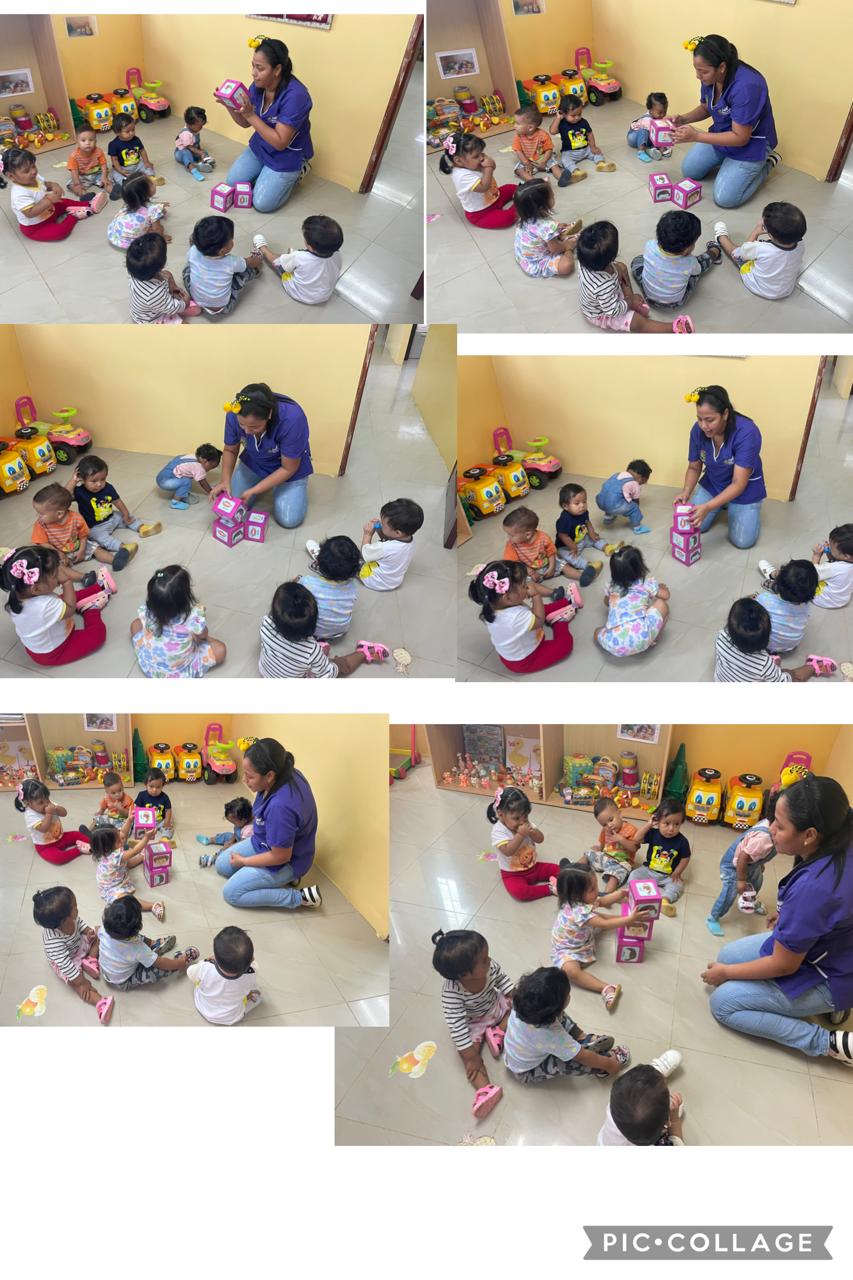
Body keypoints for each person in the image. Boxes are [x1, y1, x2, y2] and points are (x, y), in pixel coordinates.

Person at [701, 776, 853, 1067]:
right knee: (727, 955)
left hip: (834, 972)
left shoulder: (815, 889)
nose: (771, 829)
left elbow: (785, 965)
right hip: (828, 943)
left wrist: (727, 974)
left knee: (723, 1003)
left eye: (780, 826)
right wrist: (789, 915)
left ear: (809, 835)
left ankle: (829, 1043)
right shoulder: (841, 827)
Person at [214, 736, 322, 909]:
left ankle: (299, 897)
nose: (244, 780)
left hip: (288, 859)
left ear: (270, 775)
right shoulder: (284, 771)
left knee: (232, 893)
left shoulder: (281, 807)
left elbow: (281, 856)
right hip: (265, 841)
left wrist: (244, 861)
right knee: (222, 865)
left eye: (250, 776)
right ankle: (270, 878)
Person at [673, 34, 779, 209]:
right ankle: (730, 164)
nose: (698, 76)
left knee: (725, 198)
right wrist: (683, 119)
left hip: (752, 141)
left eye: (703, 71)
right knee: (690, 171)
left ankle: (767, 163)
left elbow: (740, 137)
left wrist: (696, 136)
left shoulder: (747, 86)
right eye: (696, 69)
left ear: (721, 67)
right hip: (724, 133)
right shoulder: (710, 77)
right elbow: (707, 107)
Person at [218, 34, 313, 213]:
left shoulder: (296, 96)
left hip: (286, 154)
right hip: (261, 146)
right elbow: (245, 123)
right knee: (232, 183)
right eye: (253, 66)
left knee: (262, 204)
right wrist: (230, 105)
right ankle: (265, 174)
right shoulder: (258, 85)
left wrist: (250, 115)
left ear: (277, 69)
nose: (253, 73)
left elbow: (280, 142)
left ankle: (299, 170)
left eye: (260, 68)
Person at [432, 927, 514, 1120]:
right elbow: (457, 1027)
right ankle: (485, 1089)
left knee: (521, 1006)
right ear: (464, 974)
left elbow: (503, 980)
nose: (490, 960)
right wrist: (471, 1057)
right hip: (474, 1022)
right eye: (484, 960)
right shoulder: (452, 993)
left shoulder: (490, 967)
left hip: (496, 1006)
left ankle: (498, 1031)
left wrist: (513, 995)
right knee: (468, 1057)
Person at [211, 382, 313, 529]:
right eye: (242, 425)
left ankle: (285, 487)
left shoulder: (292, 419)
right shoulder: (234, 413)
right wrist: (224, 480)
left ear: (269, 415)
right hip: (255, 461)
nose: (246, 431)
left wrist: (255, 490)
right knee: (233, 503)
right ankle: (267, 482)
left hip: (289, 467)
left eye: (254, 427)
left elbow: (288, 468)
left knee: (289, 520)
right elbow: (230, 450)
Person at [504, 966, 630, 1084]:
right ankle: (602, 1068)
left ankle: (581, 1038)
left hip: (523, 1049)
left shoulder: (522, 1003)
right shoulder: (553, 1035)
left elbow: (554, 1015)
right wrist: (609, 1064)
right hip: (527, 1071)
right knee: (569, 1060)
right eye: (568, 994)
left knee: (559, 1017)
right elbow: (582, 1057)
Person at [676, 384, 766, 548]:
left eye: (710, 420)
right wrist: (686, 491)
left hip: (744, 488)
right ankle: (722, 503)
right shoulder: (697, 431)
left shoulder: (747, 432)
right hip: (714, 482)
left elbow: (738, 483)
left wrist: (708, 507)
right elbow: (694, 467)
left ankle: (741, 508)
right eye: (699, 419)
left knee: (742, 542)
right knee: (694, 525)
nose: (703, 426)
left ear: (725, 414)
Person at [551, 864, 651, 1012]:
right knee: (570, 972)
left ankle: (625, 920)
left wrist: (620, 893)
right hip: (567, 950)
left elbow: (603, 901)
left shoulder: (578, 900)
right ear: (576, 895)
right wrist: (629, 919)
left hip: (582, 936)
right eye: (592, 889)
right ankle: (606, 988)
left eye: (596, 885)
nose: (597, 891)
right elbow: (604, 924)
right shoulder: (579, 911)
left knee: (599, 917)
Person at [0, 544, 109, 667]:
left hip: (38, 643)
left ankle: (99, 587)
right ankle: (91, 609)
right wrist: (67, 581)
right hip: (55, 652)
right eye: (55, 575)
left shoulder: (15, 593)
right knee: (98, 635)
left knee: (62, 598)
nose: (59, 575)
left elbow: (51, 604)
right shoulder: (44, 606)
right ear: (36, 589)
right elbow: (70, 609)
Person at [576, 221, 695, 334]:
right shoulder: (603, 286)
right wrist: (630, 301)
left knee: (622, 267)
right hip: (602, 313)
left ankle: (630, 300)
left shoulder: (585, 259)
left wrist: (617, 271)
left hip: (605, 295)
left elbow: (609, 269)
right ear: (611, 257)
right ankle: (674, 327)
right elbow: (613, 311)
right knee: (638, 322)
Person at [469, 559, 575, 675]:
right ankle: (559, 621)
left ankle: (566, 601)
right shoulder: (514, 618)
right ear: (507, 598)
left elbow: (531, 613)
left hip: (514, 650)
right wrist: (536, 595)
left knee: (537, 610)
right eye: (524, 586)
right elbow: (539, 620)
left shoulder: (493, 605)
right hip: (526, 660)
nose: (528, 587)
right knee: (565, 644)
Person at [259, 581, 383, 678]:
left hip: (266, 673)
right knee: (339, 666)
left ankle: (318, 660)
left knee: (314, 660)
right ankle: (363, 653)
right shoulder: (310, 650)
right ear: (312, 626)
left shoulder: (265, 623)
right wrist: (326, 661)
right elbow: (327, 675)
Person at [32, 887, 114, 1025]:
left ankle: (90, 960)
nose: (77, 908)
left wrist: (88, 932)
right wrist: (81, 982)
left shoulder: (71, 919)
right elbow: (66, 966)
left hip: (77, 945)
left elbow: (80, 924)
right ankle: (100, 1002)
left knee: (98, 932)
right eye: (75, 907)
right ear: (64, 920)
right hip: (66, 961)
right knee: (76, 985)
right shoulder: (53, 942)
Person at [131, 564, 226, 678]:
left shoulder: (146, 612)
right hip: (178, 674)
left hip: (150, 667)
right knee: (220, 649)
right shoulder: (192, 619)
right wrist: (199, 634)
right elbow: (203, 634)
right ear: (185, 599)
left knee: (135, 624)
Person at [706, 797, 777, 936]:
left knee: (757, 882)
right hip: (734, 866)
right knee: (730, 892)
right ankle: (713, 917)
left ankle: (751, 900)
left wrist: (760, 863)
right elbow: (743, 857)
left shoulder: (769, 825)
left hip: (750, 864)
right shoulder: (764, 839)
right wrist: (741, 880)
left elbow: (754, 851)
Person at [714, 598, 827, 683]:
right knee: (789, 675)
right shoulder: (763, 663)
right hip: (762, 671)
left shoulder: (720, 636)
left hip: (720, 681)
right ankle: (813, 667)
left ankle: (772, 671)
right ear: (766, 638)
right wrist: (788, 675)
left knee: (769, 671)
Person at [98, 895, 196, 991]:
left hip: (106, 970)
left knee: (134, 938)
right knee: (157, 969)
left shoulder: (103, 930)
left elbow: (130, 937)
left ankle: (153, 944)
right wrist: (180, 963)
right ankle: (178, 960)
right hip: (124, 981)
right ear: (139, 926)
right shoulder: (137, 948)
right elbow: (160, 963)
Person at [5, 146, 100, 241]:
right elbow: (30, 213)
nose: (33, 171)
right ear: (11, 176)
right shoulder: (19, 194)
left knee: (62, 201)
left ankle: (88, 204)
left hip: (50, 209)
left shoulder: (34, 177)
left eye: (33, 166)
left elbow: (45, 185)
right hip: (36, 226)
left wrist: (54, 185)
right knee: (60, 232)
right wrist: (49, 200)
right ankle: (73, 216)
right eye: (26, 171)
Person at [71, 455, 160, 557]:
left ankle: (142, 528)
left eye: (103, 479)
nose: (99, 484)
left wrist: (126, 514)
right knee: (100, 537)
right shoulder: (79, 492)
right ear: (82, 479)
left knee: (126, 517)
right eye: (94, 481)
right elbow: (63, 494)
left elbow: (117, 501)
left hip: (112, 517)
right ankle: (123, 548)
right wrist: (73, 480)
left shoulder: (108, 488)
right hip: (95, 527)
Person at [715, 202, 806, 300]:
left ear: (769, 233)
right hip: (786, 290)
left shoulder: (761, 248)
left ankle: (721, 237)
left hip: (759, 287)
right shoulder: (801, 244)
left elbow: (742, 253)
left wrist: (755, 232)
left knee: (737, 253)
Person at [631, 209, 721, 308]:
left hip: (648, 294)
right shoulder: (690, 261)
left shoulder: (650, 245)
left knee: (636, 261)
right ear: (686, 250)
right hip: (674, 303)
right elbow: (697, 271)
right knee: (698, 267)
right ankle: (715, 250)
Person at [32, 481, 129, 571]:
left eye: (41, 514)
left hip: (78, 545)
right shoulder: (40, 525)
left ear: (59, 514)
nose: (38, 516)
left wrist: (82, 551)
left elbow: (83, 535)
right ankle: (81, 577)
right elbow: (43, 543)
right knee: (53, 565)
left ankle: (115, 560)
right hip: (56, 551)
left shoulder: (76, 518)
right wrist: (59, 554)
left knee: (96, 549)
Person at [595, 545, 670, 659]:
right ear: (640, 567)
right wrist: (661, 587)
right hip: (643, 637)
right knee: (661, 604)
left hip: (615, 645)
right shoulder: (646, 584)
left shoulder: (611, 587)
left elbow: (606, 602)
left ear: (614, 572)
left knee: (596, 632)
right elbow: (666, 596)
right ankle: (653, 639)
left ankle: (607, 636)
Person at [486, 785, 559, 901]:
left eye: (525, 816)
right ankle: (550, 889)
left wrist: (532, 831)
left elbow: (540, 839)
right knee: (520, 892)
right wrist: (520, 835)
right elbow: (508, 851)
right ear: (501, 814)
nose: (522, 822)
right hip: (512, 874)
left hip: (534, 867)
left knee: (558, 869)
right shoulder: (498, 831)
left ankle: (567, 879)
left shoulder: (526, 824)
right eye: (516, 818)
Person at [183, 215, 262, 319]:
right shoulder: (232, 261)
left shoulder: (193, 251)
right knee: (245, 272)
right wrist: (257, 259)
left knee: (187, 270)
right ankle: (256, 270)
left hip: (196, 298)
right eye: (231, 239)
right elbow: (250, 262)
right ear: (222, 251)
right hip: (222, 307)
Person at [253, 216, 343, 305]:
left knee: (279, 263)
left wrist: (290, 258)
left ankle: (263, 248)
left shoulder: (299, 256)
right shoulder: (337, 254)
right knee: (296, 260)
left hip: (300, 293)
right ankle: (289, 259)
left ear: (310, 247)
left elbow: (280, 263)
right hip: (325, 295)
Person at [597, 1055, 685, 1145]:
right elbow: (678, 1143)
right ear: (665, 1123)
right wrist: (674, 1119)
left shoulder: (616, 1107)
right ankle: (652, 1078)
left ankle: (651, 1078)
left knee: (634, 1093)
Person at [439, 131, 517, 230]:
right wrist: (488, 168)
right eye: (476, 156)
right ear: (458, 160)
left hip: (494, 196)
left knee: (511, 187)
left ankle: (523, 195)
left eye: (481, 153)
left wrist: (489, 163)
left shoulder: (471, 163)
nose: (481, 158)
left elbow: (493, 166)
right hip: (481, 213)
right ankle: (522, 206)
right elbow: (484, 187)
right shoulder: (461, 176)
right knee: (507, 219)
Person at [628, 797, 691, 917]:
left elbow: (686, 857)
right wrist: (649, 825)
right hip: (649, 870)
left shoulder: (682, 841)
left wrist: (677, 872)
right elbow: (636, 838)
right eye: (666, 823)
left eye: (676, 824)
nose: (671, 829)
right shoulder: (653, 834)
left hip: (668, 875)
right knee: (634, 875)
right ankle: (639, 895)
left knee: (678, 885)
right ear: (658, 820)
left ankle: (664, 901)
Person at [187, 927, 263, 1025]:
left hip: (202, 1005)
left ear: (215, 957)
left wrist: (205, 960)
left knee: (199, 980)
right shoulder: (252, 973)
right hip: (229, 1017)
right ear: (251, 959)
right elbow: (253, 966)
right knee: (258, 995)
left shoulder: (205, 967)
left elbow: (190, 973)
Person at [90, 824, 164, 920]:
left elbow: (123, 833)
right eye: (118, 840)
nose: (122, 839)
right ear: (108, 848)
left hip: (117, 873)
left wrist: (129, 820)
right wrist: (146, 838)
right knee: (126, 900)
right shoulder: (115, 856)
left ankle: (141, 857)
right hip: (111, 889)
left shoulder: (106, 850)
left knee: (126, 863)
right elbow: (134, 851)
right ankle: (153, 906)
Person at [512, 178, 580, 279]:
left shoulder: (525, 216)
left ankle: (558, 234)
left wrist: (555, 228)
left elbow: (537, 230)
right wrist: (567, 246)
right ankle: (567, 243)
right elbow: (555, 249)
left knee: (552, 231)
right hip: (536, 263)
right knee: (567, 266)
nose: (554, 195)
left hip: (522, 256)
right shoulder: (546, 226)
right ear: (541, 206)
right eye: (552, 196)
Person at [126, 233, 200, 324]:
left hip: (155, 304)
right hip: (151, 319)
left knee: (168, 274)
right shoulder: (154, 292)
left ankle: (173, 295)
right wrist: (185, 302)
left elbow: (165, 277)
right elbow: (172, 308)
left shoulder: (136, 272)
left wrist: (173, 287)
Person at [14, 779, 90, 866]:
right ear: (28, 803)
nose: (46, 803)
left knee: (77, 834)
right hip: (45, 846)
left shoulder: (49, 804)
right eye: (41, 802)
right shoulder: (30, 815)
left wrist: (56, 808)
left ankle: (93, 840)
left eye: (47, 798)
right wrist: (49, 813)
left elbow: (64, 813)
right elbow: (44, 829)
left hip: (61, 837)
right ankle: (79, 850)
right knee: (58, 858)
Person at [556, 482, 620, 583]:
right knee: (568, 555)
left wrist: (592, 533)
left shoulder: (584, 512)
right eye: (577, 503)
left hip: (582, 538)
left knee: (595, 538)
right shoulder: (564, 519)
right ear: (566, 506)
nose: (582, 505)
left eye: (584, 502)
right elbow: (563, 536)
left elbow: (587, 523)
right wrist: (573, 547)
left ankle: (607, 547)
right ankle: (589, 566)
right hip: (567, 546)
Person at [299, 535, 362, 639]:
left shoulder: (307, 582)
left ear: (318, 562)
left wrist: (298, 580)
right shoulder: (352, 587)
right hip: (340, 631)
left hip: (313, 631)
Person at [753, 558, 819, 653]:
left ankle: (774, 585)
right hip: (790, 646)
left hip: (765, 645)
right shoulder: (806, 607)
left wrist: (754, 598)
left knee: (753, 604)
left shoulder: (764, 598)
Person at [578, 796, 641, 894]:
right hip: (606, 858)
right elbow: (602, 841)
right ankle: (575, 868)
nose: (609, 825)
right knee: (588, 854)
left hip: (622, 863)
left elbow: (634, 848)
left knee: (614, 876)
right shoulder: (605, 830)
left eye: (611, 820)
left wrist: (621, 839)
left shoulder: (631, 829)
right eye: (604, 824)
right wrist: (600, 849)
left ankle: (606, 894)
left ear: (620, 814)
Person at [549, 94, 615, 185]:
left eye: (579, 114)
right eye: (573, 115)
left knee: (597, 152)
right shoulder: (562, 124)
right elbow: (552, 131)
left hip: (586, 149)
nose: (577, 117)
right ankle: (576, 172)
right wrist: (558, 118)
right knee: (565, 160)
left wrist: (593, 147)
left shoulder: (583, 122)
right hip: (569, 152)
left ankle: (601, 164)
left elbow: (589, 134)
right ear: (563, 113)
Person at [359, 499, 424, 591]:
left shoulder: (385, 548)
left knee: (351, 558)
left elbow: (365, 553)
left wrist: (367, 534)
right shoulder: (409, 540)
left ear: (397, 533)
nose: (381, 524)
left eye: (383, 524)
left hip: (376, 582)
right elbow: (388, 539)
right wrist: (379, 529)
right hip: (394, 581)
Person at [107, 174, 168, 250]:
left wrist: (159, 206)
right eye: (151, 183)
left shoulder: (129, 202)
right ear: (145, 193)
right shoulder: (153, 210)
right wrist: (161, 239)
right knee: (160, 228)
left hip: (116, 235)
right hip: (133, 242)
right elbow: (157, 229)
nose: (154, 183)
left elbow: (147, 204)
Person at [155, 444, 222, 511]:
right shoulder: (199, 468)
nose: (209, 470)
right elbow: (203, 482)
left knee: (185, 474)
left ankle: (179, 488)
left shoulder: (192, 456)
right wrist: (211, 491)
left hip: (162, 476)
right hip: (165, 482)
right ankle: (175, 502)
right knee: (186, 481)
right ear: (205, 461)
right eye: (211, 467)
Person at [107, 115, 160, 197]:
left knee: (148, 167)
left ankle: (150, 179)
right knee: (116, 175)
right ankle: (125, 185)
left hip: (137, 164)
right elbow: (114, 159)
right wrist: (120, 170)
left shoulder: (136, 139)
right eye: (127, 131)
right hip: (123, 167)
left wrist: (146, 162)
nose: (131, 133)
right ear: (117, 132)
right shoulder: (113, 144)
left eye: (133, 130)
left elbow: (142, 150)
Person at [512, 104, 567, 183]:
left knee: (553, 164)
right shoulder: (518, 136)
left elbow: (549, 149)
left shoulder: (543, 135)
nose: (514, 126)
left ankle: (561, 178)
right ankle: (535, 182)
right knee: (519, 170)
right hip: (528, 160)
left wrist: (544, 161)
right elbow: (518, 150)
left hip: (543, 158)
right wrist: (526, 163)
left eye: (517, 123)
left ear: (530, 127)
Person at [595, 460, 652, 535]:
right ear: (640, 478)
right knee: (634, 508)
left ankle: (608, 518)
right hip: (612, 506)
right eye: (644, 482)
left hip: (600, 501)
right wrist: (631, 510)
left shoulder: (616, 475)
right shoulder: (634, 484)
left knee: (611, 497)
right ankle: (638, 528)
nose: (642, 484)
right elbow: (635, 501)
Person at [809, 525, 853, 611]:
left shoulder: (832, 568)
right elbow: (836, 559)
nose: (828, 546)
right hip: (842, 599)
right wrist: (829, 553)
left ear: (846, 556)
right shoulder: (848, 560)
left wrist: (816, 556)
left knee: (802, 575)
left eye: (831, 548)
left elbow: (813, 573)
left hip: (825, 600)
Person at [66, 123, 113, 200]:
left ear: (95, 141)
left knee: (108, 181)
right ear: (77, 142)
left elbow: (103, 164)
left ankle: (113, 191)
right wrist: (77, 183)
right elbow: (74, 171)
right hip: (83, 176)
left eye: (91, 140)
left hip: (97, 174)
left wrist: (104, 177)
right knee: (72, 185)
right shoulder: (74, 156)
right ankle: (85, 195)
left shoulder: (99, 151)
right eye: (83, 140)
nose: (87, 143)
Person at [627, 92, 673, 161]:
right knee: (644, 131)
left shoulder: (659, 117)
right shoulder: (647, 120)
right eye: (660, 113)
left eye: (665, 112)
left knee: (662, 133)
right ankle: (641, 151)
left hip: (647, 137)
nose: (663, 115)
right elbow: (656, 135)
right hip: (634, 138)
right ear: (651, 110)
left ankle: (649, 150)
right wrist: (661, 146)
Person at [174, 105, 215, 181]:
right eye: (200, 126)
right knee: (186, 154)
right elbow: (189, 147)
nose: (201, 128)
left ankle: (203, 163)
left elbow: (196, 145)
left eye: (202, 125)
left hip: (193, 151)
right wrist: (199, 152)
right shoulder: (186, 134)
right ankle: (193, 170)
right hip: (181, 153)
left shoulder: (194, 130)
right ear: (190, 124)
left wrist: (201, 152)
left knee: (204, 151)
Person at [134, 767, 174, 842]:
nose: (154, 790)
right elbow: (137, 808)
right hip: (145, 821)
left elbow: (168, 810)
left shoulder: (165, 797)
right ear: (145, 784)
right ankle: (139, 839)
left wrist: (167, 821)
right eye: (151, 786)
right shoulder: (141, 795)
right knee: (134, 822)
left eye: (158, 787)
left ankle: (165, 838)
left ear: (163, 786)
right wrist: (138, 820)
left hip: (159, 821)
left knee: (169, 824)